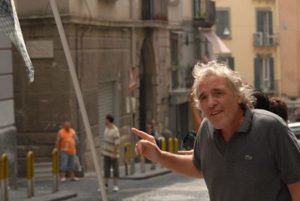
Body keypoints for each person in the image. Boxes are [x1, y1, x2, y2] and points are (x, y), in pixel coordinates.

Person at [132, 61, 300, 201]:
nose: (211, 102)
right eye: (203, 97)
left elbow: (297, 186)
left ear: (238, 95)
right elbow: (199, 166)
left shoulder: (271, 128)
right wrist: (159, 156)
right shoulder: (206, 129)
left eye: (218, 93)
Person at [102, 114, 120, 192]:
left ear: (109, 120)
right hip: (106, 153)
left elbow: (117, 143)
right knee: (106, 169)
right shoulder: (106, 128)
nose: (104, 121)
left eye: (106, 119)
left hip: (113, 153)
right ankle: (105, 185)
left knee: (115, 169)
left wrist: (114, 153)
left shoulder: (115, 130)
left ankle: (115, 185)